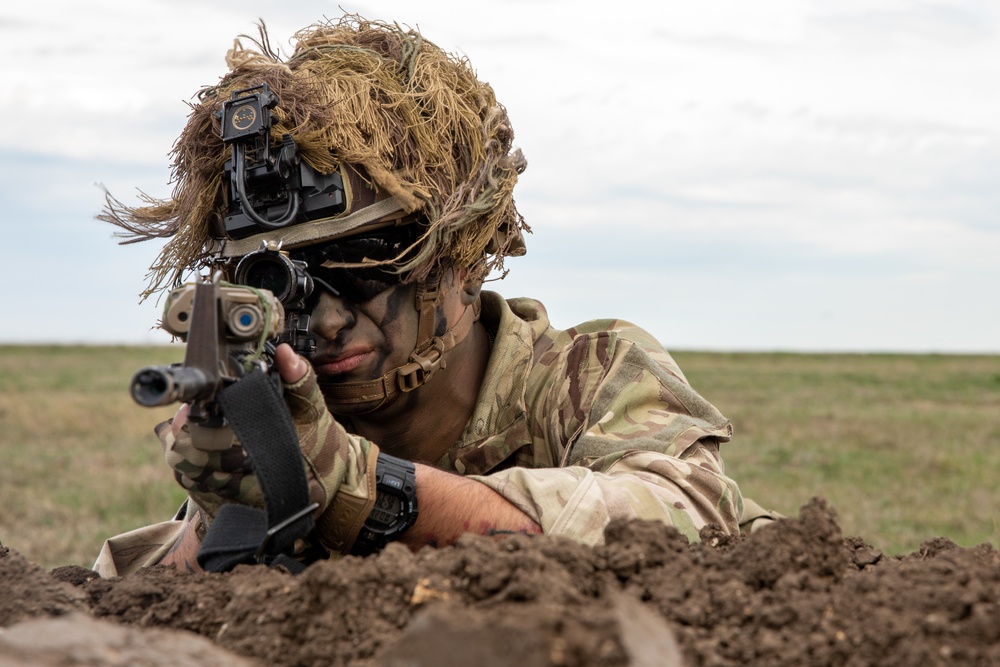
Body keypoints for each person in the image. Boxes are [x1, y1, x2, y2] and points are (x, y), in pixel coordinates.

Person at [94, 16, 773, 577]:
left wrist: (360, 487)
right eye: (285, 280)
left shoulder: (585, 378)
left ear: (465, 252)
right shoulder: (293, 413)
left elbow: (683, 522)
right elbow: (129, 602)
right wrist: (232, 509)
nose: (325, 318)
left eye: (365, 265)